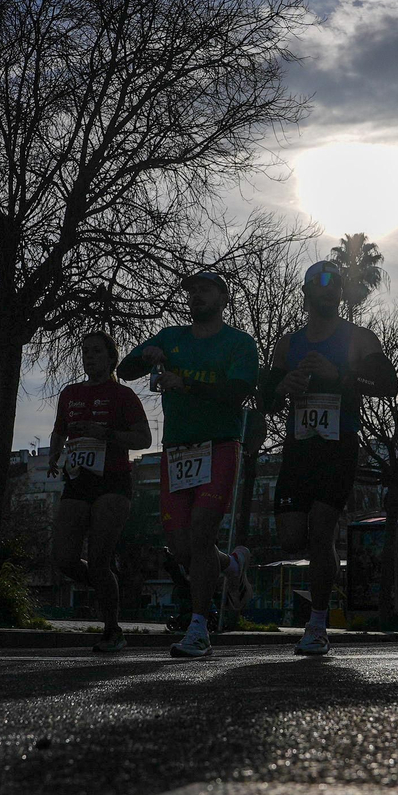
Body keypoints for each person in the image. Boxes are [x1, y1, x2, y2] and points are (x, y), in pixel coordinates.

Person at [257, 261, 398, 656]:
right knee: (290, 539)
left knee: (321, 532)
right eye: (319, 284)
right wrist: (281, 386)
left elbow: (388, 384)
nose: (327, 290)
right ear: (305, 293)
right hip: (298, 447)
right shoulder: (288, 344)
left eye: (334, 284)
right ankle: (236, 567)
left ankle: (317, 624)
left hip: (338, 446)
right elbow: (265, 400)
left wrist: (340, 375)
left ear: (340, 294)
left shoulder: (358, 339)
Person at [118, 270, 260, 659]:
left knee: (200, 534)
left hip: (218, 446)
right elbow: (125, 371)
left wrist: (186, 384)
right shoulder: (170, 337)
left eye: (205, 290)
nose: (197, 296)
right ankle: (231, 566)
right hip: (177, 451)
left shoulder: (239, 343)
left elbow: (237, 392)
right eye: (192, 291)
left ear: (223, 298)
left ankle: (200, 628)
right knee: (182, 548)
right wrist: (147, 355)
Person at [48, 329, 153, 653]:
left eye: (95, 351)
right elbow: (59, 430)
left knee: (98, 560)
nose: (89, 356)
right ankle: (110, 587)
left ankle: (112, 630)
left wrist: (105, 433)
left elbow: (144, 439)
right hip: (78, 480)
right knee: (64, 558)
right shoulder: (69, 393)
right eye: (85, 351)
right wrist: (54, 453)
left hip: (113, 482)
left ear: (110, 357)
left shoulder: (123, 396)